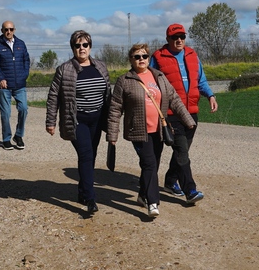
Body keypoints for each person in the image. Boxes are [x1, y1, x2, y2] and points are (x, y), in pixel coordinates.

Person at [107, 44, 195, 218]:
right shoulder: (124, 80)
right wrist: (112, 135)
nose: (141, 59)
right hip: (139, 131)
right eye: (137, 56)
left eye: (144, 56)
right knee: (149, 164)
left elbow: (174, 100)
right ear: (130, 59)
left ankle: (142, 194)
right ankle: (152, 201)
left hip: (159, 130)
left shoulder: (159, 76)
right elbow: (115, 109)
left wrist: (188, 120)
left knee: (152, 164)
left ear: (148, 58)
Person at [149, 23, 218, 204]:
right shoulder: (157, 58)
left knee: (183, 151)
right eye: (174, 37)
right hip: (171, 113)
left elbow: (200, 79)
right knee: (181, 151)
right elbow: (150, 83)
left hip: (192, 111)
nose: (179, 40)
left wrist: (210, 95)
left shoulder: (192, 55)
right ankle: (190, 190)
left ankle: (171, 181)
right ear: (168, 39)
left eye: (182, 36)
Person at [45, 30, 111, 215]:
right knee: (86, 155)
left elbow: (108, 93)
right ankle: (90, 199)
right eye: (77, 45)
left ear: (90, 46)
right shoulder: (64, 69)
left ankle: (83, 191)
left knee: (91, 156)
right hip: (76, 120)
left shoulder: (101, 66)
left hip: (97, 120)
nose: (81, 48)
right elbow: (53, 97)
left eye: (85, 45)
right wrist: (51, 121)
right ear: (72, 48)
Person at [0, 20, 31, 150]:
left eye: (11, 29)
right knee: (6, 114)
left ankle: (18, 135)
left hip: (20, 85)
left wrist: (24, 75)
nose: (9, 32)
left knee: (24, 109)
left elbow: (26, 60)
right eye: (6, 29)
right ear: (2, 30)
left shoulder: (21, 44)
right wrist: (1, 78)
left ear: (14, 30)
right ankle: (6, 139)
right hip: (4, 87)